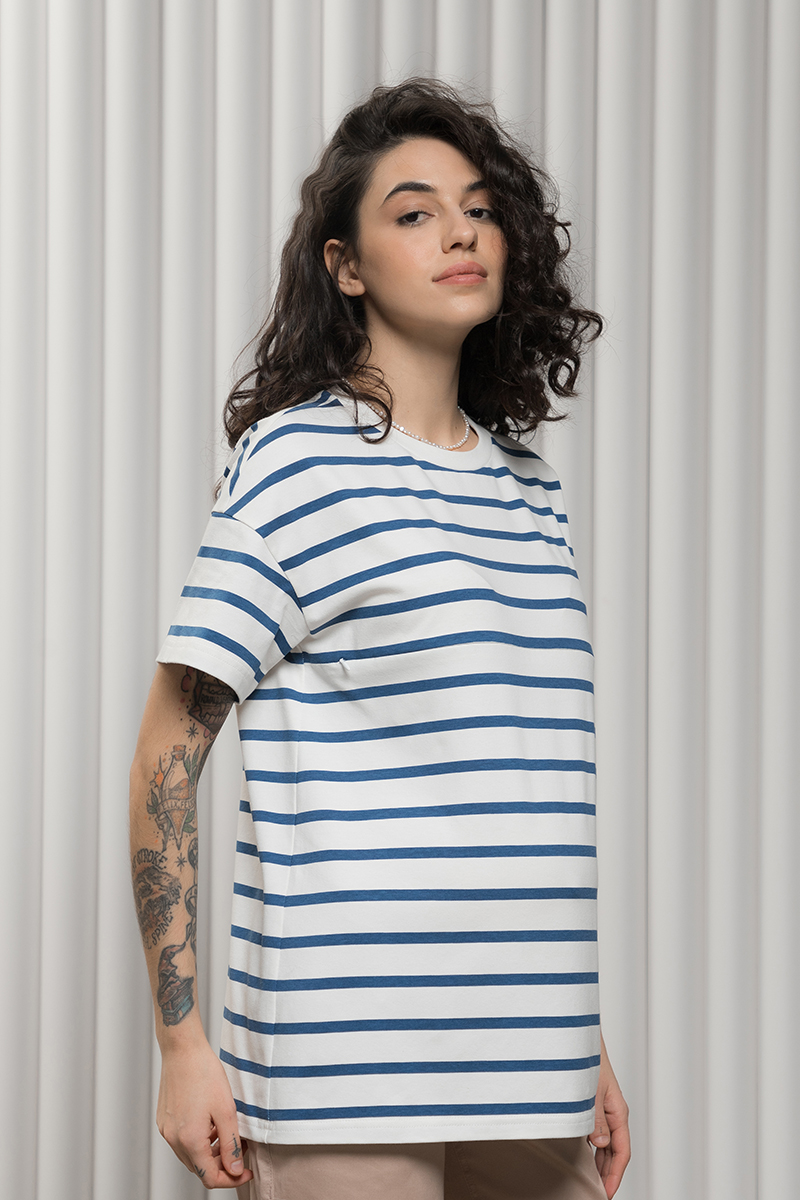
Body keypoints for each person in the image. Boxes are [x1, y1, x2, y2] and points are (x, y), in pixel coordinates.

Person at [130, 76, 631, 1199]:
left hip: (533, 1063)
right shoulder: (297, 463)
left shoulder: (530, 492)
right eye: (413, 212)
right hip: (341, 1067)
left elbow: (519, 787)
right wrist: (182, 1045)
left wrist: (581, 1040)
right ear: (345, 266)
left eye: (479, 209)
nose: (460, 232)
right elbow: (167, 753)